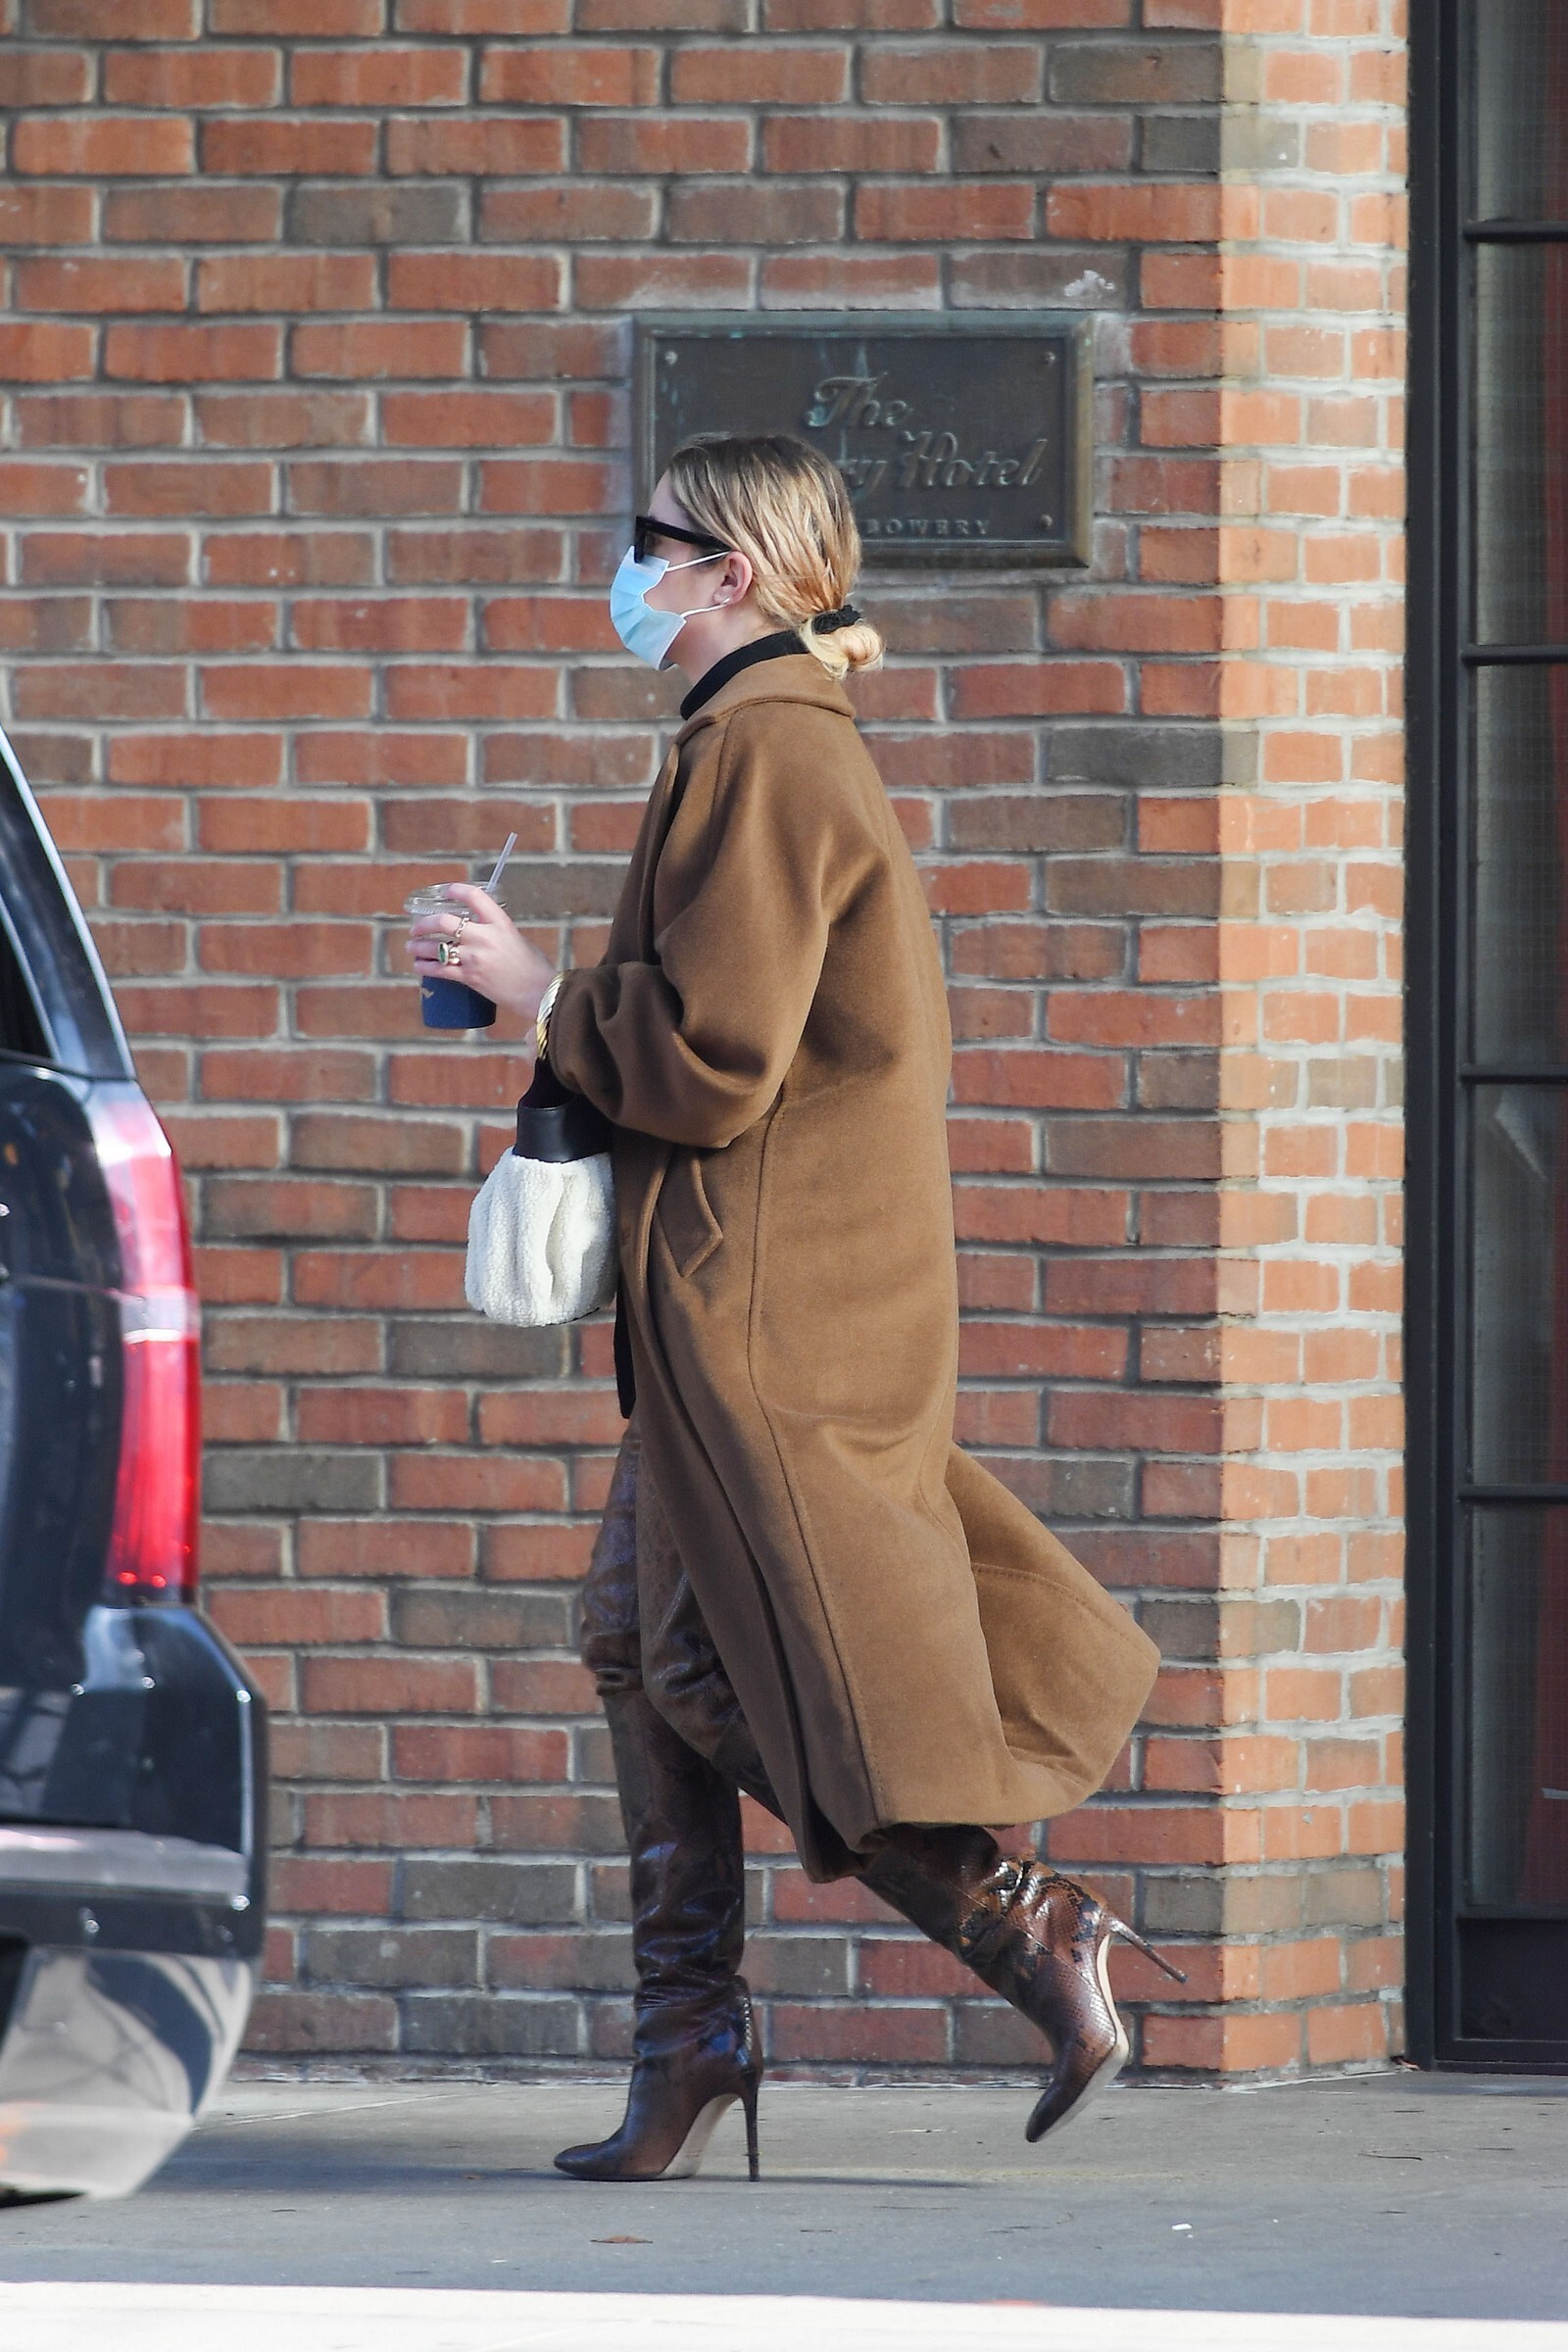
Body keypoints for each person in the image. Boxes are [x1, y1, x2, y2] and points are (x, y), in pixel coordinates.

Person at [407, 433, 1181, 2183]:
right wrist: (555, 1000)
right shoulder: (746, 738)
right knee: (631, 1640)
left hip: (771, 1300)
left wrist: (537, 990)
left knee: (692, 1662)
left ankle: (1027, 1924)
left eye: (650, 540)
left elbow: (720, 1057)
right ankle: (690, 2038)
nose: (627, 567)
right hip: (744, 1287)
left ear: (729, 574)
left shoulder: (768, 748)